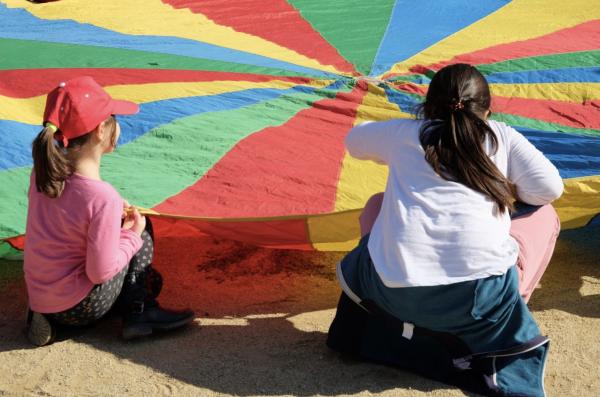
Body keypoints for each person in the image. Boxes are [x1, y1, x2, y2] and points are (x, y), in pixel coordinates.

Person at [327, 64, 563, 396]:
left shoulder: (404, 133)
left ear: (428, 105)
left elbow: (354, 141)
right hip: (476, 303)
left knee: (378, 203)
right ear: (487, 110)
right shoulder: (501, 135)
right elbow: (549, 189)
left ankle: (396, 326)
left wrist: (397, 137)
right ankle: (502, 315)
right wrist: (503, 192)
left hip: (389, 294)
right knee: (545, 215)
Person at [24, 76, 195, 346]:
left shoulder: (42, 175)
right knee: (143, 231)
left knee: (147, 274)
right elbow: (100, 273)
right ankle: (139, 313)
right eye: (113, 116)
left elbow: (71, 212)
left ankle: (44, 316)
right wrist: (132, 235)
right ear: (101, 130)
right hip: (78, 308)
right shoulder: (103, 198)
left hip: (42, 297)